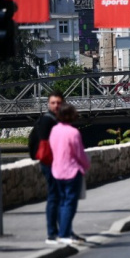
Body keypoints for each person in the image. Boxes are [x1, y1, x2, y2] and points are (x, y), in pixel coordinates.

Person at [49, 103, 90, 245]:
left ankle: (62, 232)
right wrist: (86, 166)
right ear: (70, 116)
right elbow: (80, 154)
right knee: (70, 204)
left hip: (57, 171)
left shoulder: (54, 130)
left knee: (61, 202)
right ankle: (64, 234)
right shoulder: (73, 132)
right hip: (72, 172)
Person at [29, 91, 63, 244]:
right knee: (54, 196)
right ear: (49, 104)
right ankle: (52, 233)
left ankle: (62, 230)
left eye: (58, 103)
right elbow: (44, 144)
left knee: (59, 197)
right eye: (53, 103)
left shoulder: (57, 119)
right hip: (50, 163)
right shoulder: (47, 121)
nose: (56, 105)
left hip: (56, 163)